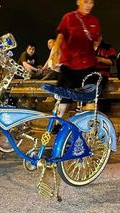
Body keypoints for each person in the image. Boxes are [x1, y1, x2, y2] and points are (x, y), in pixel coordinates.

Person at [51, 0, 101, 132]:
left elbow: (96, 40)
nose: (89, 5)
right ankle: (56, 125)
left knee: (90, 98)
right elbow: (60, 35)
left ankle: (88, 128)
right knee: (64, 98)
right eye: (85, 1)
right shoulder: (69, 17)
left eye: (91, 2)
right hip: (70, 65)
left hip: (88, 65)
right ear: (78, 2)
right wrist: (55, 51)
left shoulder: (94, 21)